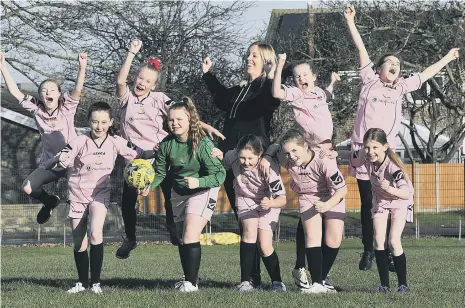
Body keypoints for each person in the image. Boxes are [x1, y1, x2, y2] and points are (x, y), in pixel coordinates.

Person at [344, 7, 460, 270]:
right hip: (364, 151)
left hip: (388, 153)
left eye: (398, 64)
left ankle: (389, 248)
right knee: (367, 202)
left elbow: (428, 73)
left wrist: (448, 58)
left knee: (391, 198)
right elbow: (361, 49)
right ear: (380, 67)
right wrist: (350, 21)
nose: (395, 66)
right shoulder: (369, 80)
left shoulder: (401, 87)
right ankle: (369, 250)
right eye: (390, 63)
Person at [116, 39, 225, 258]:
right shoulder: (126, 98)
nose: (142, 83)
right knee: (128, 200)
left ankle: (173, 229)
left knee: (169, 195)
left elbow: (183, 113)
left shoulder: (158, 99)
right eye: (140, 78)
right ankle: (130, 239)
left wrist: (205, 126)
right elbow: (120, 81)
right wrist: (131, 53)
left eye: (147, 80)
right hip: (135, 161)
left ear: (153, 85)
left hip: (160, 156)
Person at [45, 102, 152, 294]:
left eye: (103, 122)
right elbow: (60, 160)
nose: (99, 126)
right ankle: (81, 283)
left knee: (96, 233)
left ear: (111, 122)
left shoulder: (116, 141)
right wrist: (57, 160)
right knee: (79, 241)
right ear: (88, 122)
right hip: (77, 194)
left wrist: (160, 150)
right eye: (95, 122)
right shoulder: (79, 141)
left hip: (100, 194)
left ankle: (95, 284)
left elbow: (141, 153)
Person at [202, 41, 280, 286]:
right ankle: (251, 277)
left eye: (254, 55)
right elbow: (221, 98)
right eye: (248, 54)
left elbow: (272, 100)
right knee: (244, 220)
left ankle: (268, 279)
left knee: (256, 224)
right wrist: (208, 75)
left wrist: (272, 74)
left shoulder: (264, 89)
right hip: (230, 162)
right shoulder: (241, 89)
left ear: (266, 60)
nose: (248, 58)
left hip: (253, 162)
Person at [141, 97, 226, 292]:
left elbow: (220, 174)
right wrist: (148, 186)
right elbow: (160, 173)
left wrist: (199, 182)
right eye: (171, 120)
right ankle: (189, 279)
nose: (175, 123)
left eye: (180, 119)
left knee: (190, 234)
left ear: (190, 120)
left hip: (203, 190)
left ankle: (191, 284)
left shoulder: (202, 143)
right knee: (182, 238)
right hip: (179, 192)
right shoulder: (166, 145)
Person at [271, 52, 340, 288]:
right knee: (310, 217)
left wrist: (333, 82)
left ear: (314, 76)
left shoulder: (320, 92)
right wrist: (280, 65)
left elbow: (328, 95)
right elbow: (277, 92)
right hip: (312, 152)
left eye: (305, 75)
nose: (301, 78)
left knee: (331, 227)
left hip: (327, 150)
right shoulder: (296, 94)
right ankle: (306, 268)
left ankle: (319, 273)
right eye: (297, 76)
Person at [0, 52, 87, 224]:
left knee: (75, 196)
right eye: (44, 90)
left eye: (52, 90)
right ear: (40, 95)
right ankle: (49, 201)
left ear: (59, 94)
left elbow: (77, 89)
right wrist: (2, 65)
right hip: (50, 162)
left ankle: (83, 220)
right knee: (27, 187)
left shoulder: (66, 107)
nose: (48, 92)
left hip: (71, 161)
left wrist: (82, 66)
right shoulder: (36, 109)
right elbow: (14, 91)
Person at [263, 129, 347, 293]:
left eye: (295, 151)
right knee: (312, 236)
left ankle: (322, 279)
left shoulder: (324, 160)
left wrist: (327, 205)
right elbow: (274, 146)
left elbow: (342, 190)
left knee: (334, 239)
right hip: (307, 196)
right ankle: (316, 284)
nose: (291, 156)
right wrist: (267, 157)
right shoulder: (287, 159)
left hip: (332, 196)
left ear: (305, 146)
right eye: (287, 152)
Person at [211, 135, 287, 292]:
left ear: (259, 155)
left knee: (265, 245)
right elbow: (220, 166)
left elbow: (282, 199)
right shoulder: (232, 156)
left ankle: (277, 282)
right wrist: (218, 155)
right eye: (242, 158)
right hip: (245, 199)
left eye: (250, 158)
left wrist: (270, 203)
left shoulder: (268, 167)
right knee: (248, 234)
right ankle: (246, 282)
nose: (245, 162)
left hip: (269, 203)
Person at [363, 128, 414, 293]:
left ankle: (403, 285)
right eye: (367, 147)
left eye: (375, 147)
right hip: (381, 203)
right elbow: (350, 157)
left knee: (393, 241)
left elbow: (405, 193)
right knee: (378, 241)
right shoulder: (366, 159)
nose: (370, 152)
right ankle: (384, 285)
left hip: (399, 201)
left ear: (385, 147)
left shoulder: (393, 167)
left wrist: (391, 189)